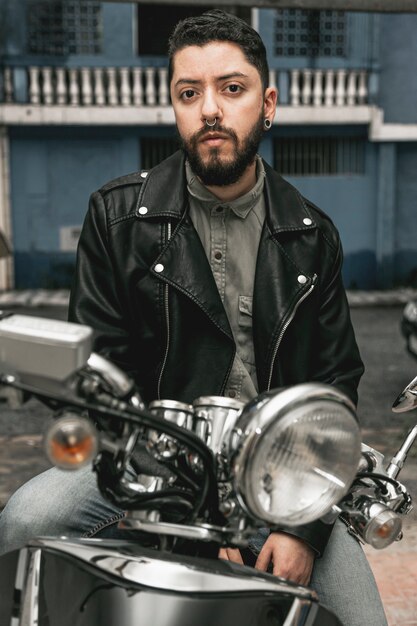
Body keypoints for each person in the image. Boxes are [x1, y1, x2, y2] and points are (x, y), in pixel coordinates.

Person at [0, 10, 387, 625]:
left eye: (232, 89)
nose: (210, 109)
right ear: (174, 107)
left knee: (364, 619)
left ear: (269, 104)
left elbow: (332, 386)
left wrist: (304, 530)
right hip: (145, 458)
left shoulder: (313, 236)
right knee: (24, 521)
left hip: (275, 473)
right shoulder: (117, 217)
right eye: (190, 93)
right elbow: (93, 374)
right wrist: (187, 513)